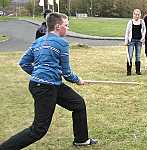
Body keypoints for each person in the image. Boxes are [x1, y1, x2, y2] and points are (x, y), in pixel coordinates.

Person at [0, 12, 97, 149]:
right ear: (57, 27)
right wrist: (78, 80)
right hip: (45, 88)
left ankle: (81, 139)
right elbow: (66, 73)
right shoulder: (62, 44)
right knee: (38, 129)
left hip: (50, 84)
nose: (68, 28)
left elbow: (24, 63)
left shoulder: (38, 41)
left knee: (78, 104)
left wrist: (38, 74)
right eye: (66, 25)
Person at [124, 9, 146, 76]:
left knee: (138, 56)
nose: (137, 16)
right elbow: (127, 32)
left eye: (138, 14)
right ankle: (129, 71)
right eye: (135, 14)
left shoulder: (142, 22)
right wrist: (126, 41)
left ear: (140, 15)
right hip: (131, 41)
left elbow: (144, 30)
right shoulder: (130, 22)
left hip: (139, 41)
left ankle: (138, 71)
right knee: (130, 56)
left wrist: (143, 38)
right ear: (133, 15)